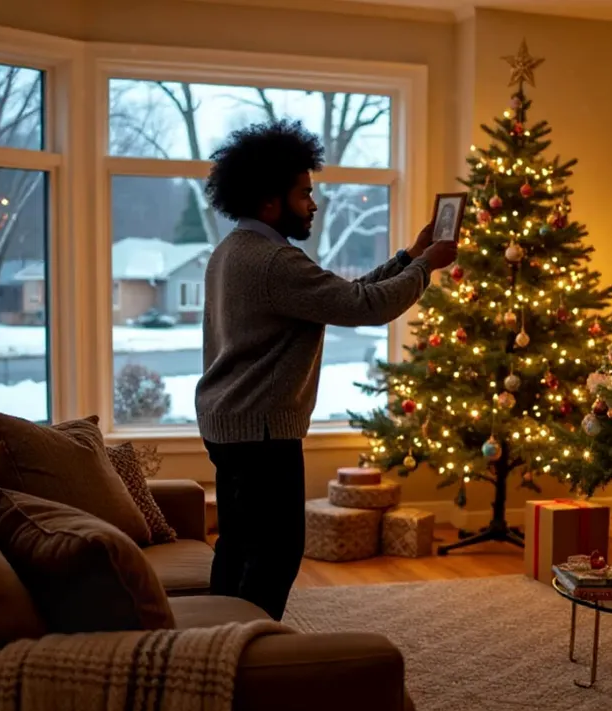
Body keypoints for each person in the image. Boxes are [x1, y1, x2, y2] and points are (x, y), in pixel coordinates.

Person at [195, 119, 457, 620]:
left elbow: (343, 296)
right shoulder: (273, 262)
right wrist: (426, 267)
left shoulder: (231, 251)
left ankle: (216, 638)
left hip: (229, 423)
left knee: (238, 546)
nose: (313, 204)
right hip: (261, 431)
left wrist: (409, 255)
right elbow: (365, 306)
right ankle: (248, 648)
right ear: (270, 201)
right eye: (304, 194)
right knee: (275, 553)